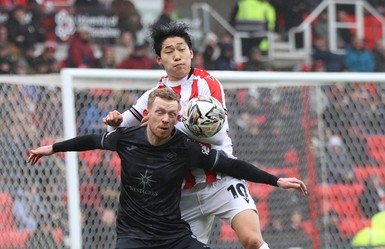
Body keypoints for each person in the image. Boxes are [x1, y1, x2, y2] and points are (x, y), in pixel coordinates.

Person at [102, 21, 303, 249]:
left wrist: (166, 126)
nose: (177, 55)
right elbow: (117, 133)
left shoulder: (207, 84)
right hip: (182, 192)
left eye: (181, 49)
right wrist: (114, 122)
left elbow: (215, 135)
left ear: (191, 52)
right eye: (169, 51)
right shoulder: (153, 97)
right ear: (159, 59)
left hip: (221, 180)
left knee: (252, 240)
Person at [28, 88, 308, 249]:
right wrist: (53, 148)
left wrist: (277, 180)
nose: (165, 119)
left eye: (171, 115)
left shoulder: (185, 147)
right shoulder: (126, 138)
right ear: (147, 114)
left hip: (173, 236)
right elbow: (91, 140)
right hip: (133, 236)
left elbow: (232, 164)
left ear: (178, 119)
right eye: (160, 112)